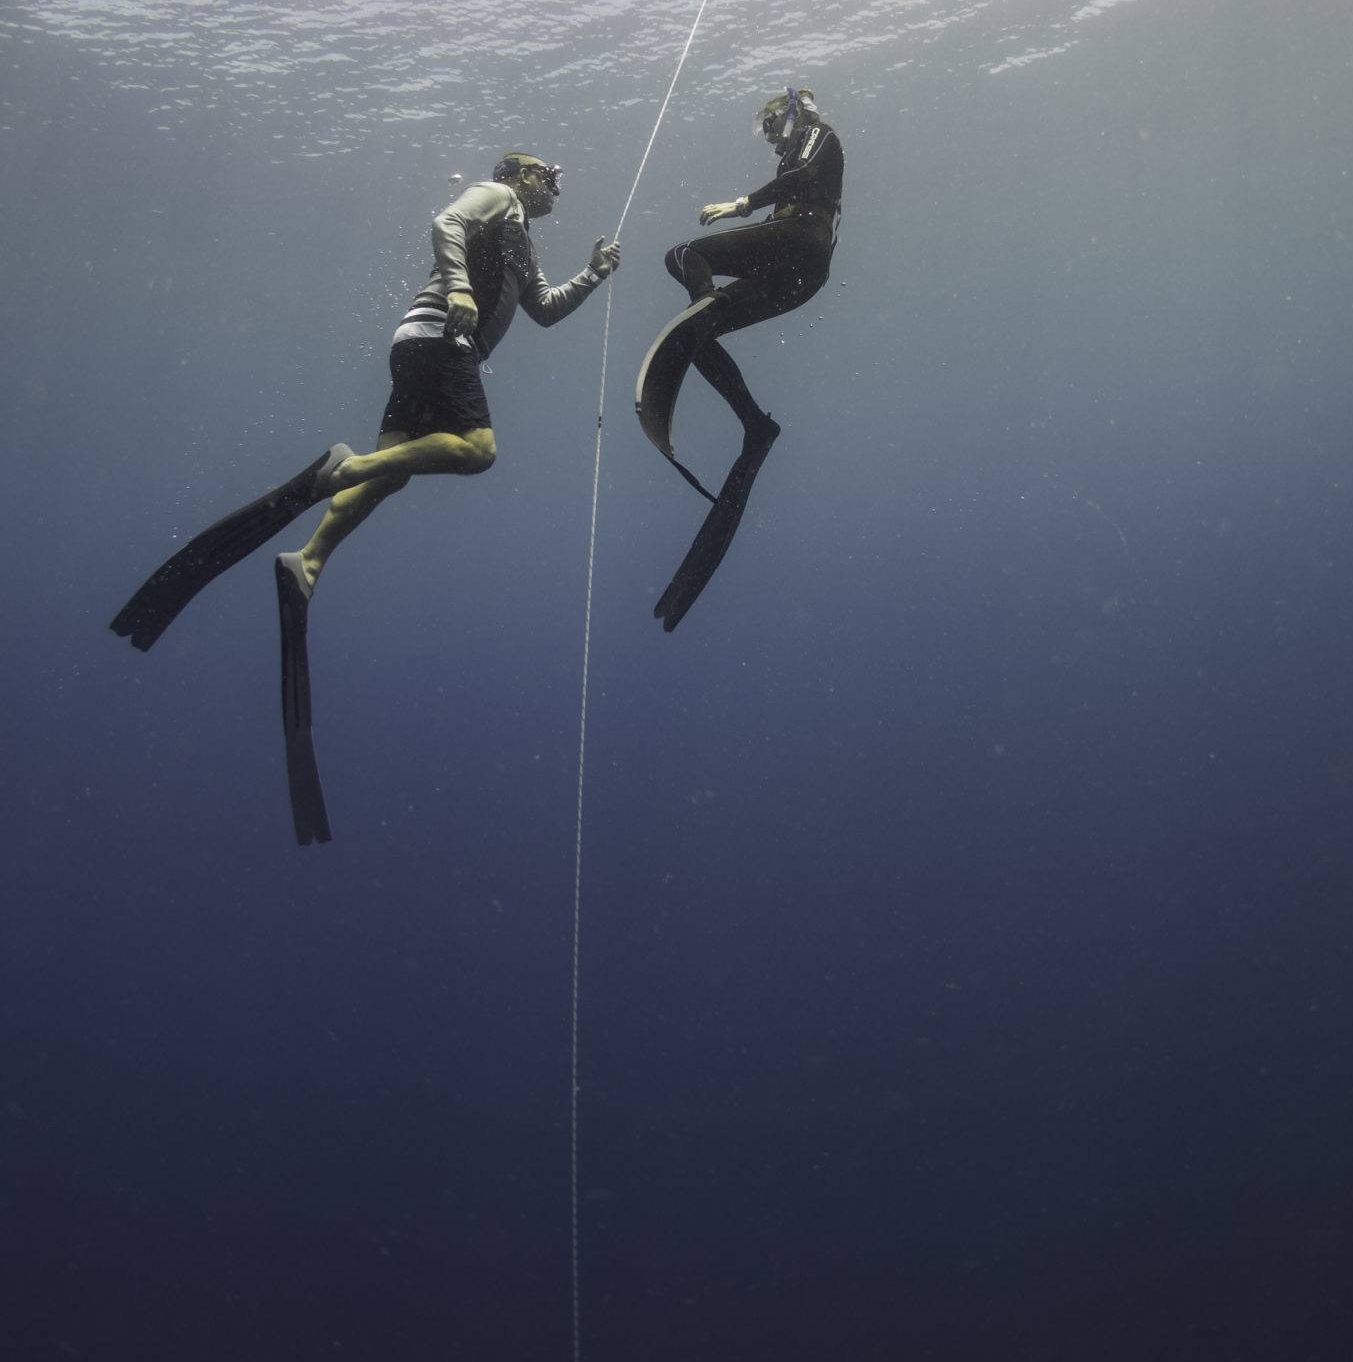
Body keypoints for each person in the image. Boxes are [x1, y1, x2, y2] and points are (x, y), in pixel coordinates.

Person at [110, 153, 619, 841]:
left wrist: (594, 273)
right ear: (518, 174)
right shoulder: (497, 195)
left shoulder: (523, 238)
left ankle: (308, 561)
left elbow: (546, 311)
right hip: (443, 338)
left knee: (392, 473)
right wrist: (460, 289)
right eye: (545, 171)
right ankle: (338, 470)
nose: (554, 182)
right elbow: (446, 221)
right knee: (476, 452)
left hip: (425, 343)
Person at [636, 89, 843, 630]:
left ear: (794, 111)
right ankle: (755, 425)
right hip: (803, 272)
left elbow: (801, 178)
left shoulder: (817, 134)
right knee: (697, 338)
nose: (770, 135)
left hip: (801, 241)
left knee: (685, 253)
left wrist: (741, 204)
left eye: (771, 122)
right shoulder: (795, 151)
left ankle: (703, 302)